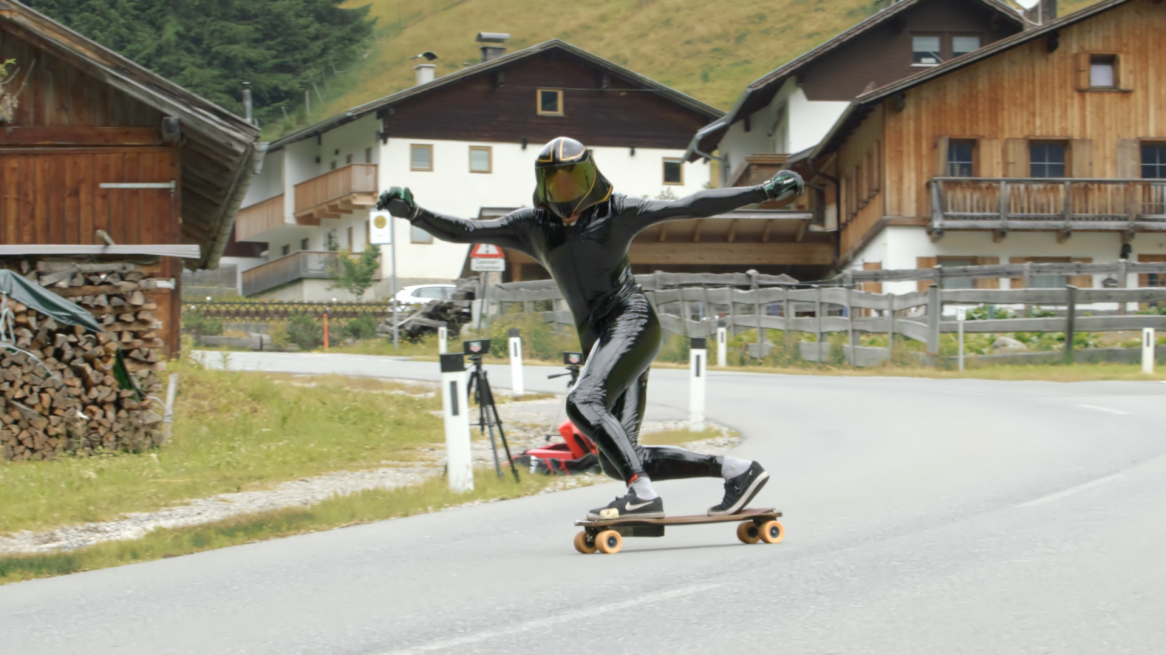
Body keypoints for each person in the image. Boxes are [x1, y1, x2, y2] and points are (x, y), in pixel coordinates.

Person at [378, 136, 803, 520]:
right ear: (543, 186)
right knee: (616, 456)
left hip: (632, 323)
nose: (568, 191)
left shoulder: (619, 212)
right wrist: (414, 213)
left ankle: (641, 495)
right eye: (557, 183)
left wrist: (762, 192)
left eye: (575, 179)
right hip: (604, 341)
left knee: (583, 401)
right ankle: (736, 470)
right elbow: (466, 230)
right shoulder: (533, 225)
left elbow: (691, 204)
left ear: (592, 176)